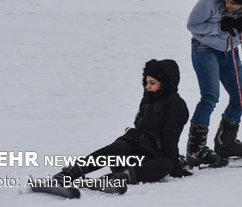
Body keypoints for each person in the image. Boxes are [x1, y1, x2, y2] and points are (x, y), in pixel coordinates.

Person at [51, 59, 191, 193]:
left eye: (152, 83)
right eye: (146, 82)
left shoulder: (176, 105)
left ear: (165, 83)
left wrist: (175, 168)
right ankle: (68, 174)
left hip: (150, 158)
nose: (147, 86)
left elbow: (170, 138)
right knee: (118, 148)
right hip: (132, 147)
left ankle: (114, 179)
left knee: (165, 165)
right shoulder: (149, 97)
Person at [186, 0, 242, 168]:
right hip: (204, 47)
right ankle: (195, 150)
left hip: (230, 50)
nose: (228, 5)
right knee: (210, 97)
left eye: (233, 4)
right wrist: (220, 26)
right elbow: (193, 25)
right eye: (227, 1)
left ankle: (225, 144)